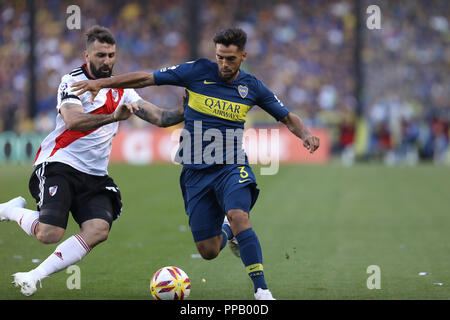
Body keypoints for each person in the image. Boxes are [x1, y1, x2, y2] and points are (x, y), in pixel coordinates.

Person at [72, 27, 320, 300]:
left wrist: (306, 134)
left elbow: (286, 117)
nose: (224, 64)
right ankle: (229, 232)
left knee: (239, 215)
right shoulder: (197, 70)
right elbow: (146, 78)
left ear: (243, 56)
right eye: (220, 57)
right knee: (209, 250)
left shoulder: (253, 87)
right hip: (194, 172)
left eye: (231, 59)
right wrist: (101, 83)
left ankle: (261, 290)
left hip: (231, 165)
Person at [0, 25, 184, 296]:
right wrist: (113, 117)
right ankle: (9, 210)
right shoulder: (71, 81)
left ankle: (34, 275)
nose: (107, 61)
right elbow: (73, 120)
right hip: (59, 163)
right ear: (87, 55)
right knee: (49, 233)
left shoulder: (124, 90)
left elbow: (161, 118)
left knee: (98, 229)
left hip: (95, 175)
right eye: (100, 55)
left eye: (111, 55)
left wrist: (188, 109)